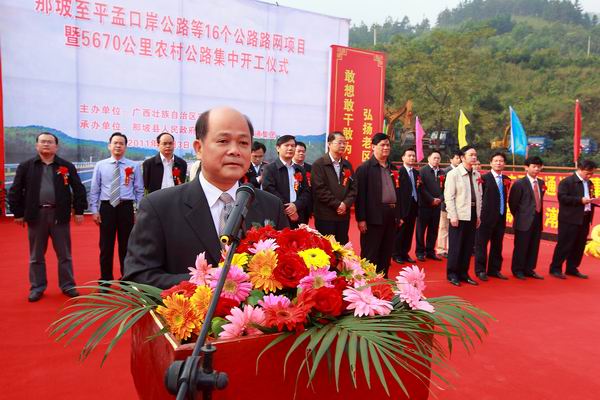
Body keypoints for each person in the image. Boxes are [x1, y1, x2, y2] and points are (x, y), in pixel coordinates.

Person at [123, 107, 289, 288]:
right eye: (223, 141)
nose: (235, 150)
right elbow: (138, 277)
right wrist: (208, 283)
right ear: (199, 148)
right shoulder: (159, 207)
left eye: (243, 143)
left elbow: (285, 273)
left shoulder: (271, 206)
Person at [8, 132, 87, 302]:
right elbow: (15, 190)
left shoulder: (66, 166)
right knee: (36, 256)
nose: (46, 144)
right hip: (36, 215)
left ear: (56, 147)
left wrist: (79, 210)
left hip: (59, 215)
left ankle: (68, 285)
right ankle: (37, 287)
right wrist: (18, 213)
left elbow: (78, 188)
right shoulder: (26, 166)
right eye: (43, 142)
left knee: (64, 255)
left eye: (50, 142)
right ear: (37, 145)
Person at [89, 132, 144, 283]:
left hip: (126, 208)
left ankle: (126, 279)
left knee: (126, 246)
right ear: (109, 146)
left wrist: (139, 211)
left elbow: (139, 190)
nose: (118, 146)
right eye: (115, 143)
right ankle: (105, 279)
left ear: (125, 147)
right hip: (107, 208)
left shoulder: (134, 166)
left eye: (121, 143)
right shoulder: (101, 165)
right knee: (106, 246)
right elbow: (95, 189)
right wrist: (94, 210)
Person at [355, 133, 403, 276]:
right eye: (382, 145)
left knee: (386, 251)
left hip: (391, 215)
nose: (386, 147)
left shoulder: (393, 168)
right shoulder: (365, 168)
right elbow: (360, 196)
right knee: (370, 252)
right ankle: (367, 282)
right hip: (373, 216)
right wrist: (361, 219)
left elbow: (399, 193)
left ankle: (383, 281)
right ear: (373, 147)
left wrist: (399, 215)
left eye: (388, 145)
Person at [549, 160, 598, 279]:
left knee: (579, 245)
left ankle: (572, 268)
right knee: (564, 244)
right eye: (587, 173)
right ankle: (555, 268)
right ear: (580, 169)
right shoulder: (567, 182)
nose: (590, 176)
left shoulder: (590, 183)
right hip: (569, 219)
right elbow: (562, 198)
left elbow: (591, 197)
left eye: (592, 173)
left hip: (585, 218)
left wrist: (595, 200)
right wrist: (580, 200)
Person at [444, 145, 482, 286]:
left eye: (475, 154)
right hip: (459, 214)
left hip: (472, 213)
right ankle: (452, 274)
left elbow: (479, 196)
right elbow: (449, 197)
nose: (474, 157)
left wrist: (478, 215)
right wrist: (452, 215)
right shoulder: (453, 174)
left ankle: (464, 273)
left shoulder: (477, 174)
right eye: (471, 154)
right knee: (456, 246)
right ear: (462, 157)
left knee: (468, 246)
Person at [310, 132, 357, 244]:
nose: (343, 145)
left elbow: (354, 188)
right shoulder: (319, 164)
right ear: (329, 144)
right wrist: (337, 204)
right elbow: (319, 189)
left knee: (342, 247)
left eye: (344, 143)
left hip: (343, 216)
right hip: (325, 215)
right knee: (326, 247)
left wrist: (345, 204)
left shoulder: (347, 165)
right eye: (339, 142)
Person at [474, 152, 510, 281]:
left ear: (504, 164)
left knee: (497, 244)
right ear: (490, 163)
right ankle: (480, 270)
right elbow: (479, 198)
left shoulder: (506, 179)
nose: (498, 163)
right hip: (485, 217)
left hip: (501, 216)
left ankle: (494, 269)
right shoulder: (484, 178)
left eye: (501, 161)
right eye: (496, 161)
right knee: (481, 245)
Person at [508, 156, 545, 280]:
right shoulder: (519, 183)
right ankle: (517, 270)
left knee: (534, 246)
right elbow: (512, 203)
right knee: (521, 246)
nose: (536, 169)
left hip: (537, 219)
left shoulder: (541, 183)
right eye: (534, 166)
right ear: (526, 168)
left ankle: (529, 269)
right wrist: (520, 216)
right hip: (523, 220)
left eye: (539, 167)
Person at [262, 135, 311, 228]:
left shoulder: (299, 169)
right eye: (286, 145)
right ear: (278, 148)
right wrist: (289, 210)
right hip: (279, 214)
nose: (290, 148)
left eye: (293, 146)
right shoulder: (270, 169)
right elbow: (269, 191)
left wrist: (296, 206)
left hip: (299, 214)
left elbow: (306, 191)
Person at [415, 151, 444, 262]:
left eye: (438, 158)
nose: (436, 160)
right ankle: (420, 252)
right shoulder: (422, 171)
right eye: (434, 158)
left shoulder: (442, 172)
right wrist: (431, 200)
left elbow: (446, 188)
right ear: (429, 159)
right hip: (424, 206)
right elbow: (421, 188)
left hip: (437, 206)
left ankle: (430, 251)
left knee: (433, 230)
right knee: (421, 230)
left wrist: (440, 199)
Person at [393, 148, 419, 264]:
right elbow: (397, 193)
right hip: (402, 206)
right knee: (400, 231)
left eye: (413, 156)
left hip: (414, 205)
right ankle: (396, 253)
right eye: (409, 156)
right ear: (403, 158)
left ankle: (405, 253)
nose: (412, 158)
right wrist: (398, 211)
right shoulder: (399, 173)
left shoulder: (416, 173)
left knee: (409, 231)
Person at [436, 150, 462, 258]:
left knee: (455, 228)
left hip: (459, 205)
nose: (459, 160)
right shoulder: (444, 171)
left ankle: (453, 249)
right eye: (456, 158)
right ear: (451, 160)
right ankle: (441, 249)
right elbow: (441, 189)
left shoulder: (462, 171)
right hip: (446, 205)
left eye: (460, 158)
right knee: (444, 227)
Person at [293, 141, 312, 224]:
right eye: (299, 151)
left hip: (306, 206)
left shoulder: (311, 168)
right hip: (291, 206)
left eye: (303, 151)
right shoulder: (289, 167)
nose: (301, 153)